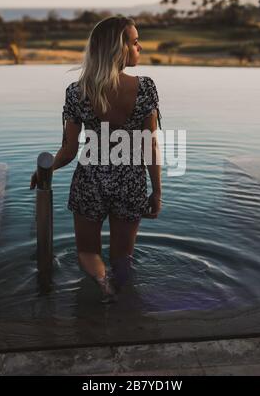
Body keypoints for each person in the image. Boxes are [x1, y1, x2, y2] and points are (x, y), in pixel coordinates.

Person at [30, 15, 162, 303]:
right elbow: (150, 146)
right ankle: (124, 305)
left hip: (90, 180)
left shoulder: (77, 92)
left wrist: (46, 170)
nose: (140, 47)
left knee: (88, 252)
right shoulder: (145, 88)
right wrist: (157, 190)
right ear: (119, 49)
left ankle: (103, 285)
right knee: (123, 256)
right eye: (135, 41)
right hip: (131, 182)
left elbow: (67, 150)